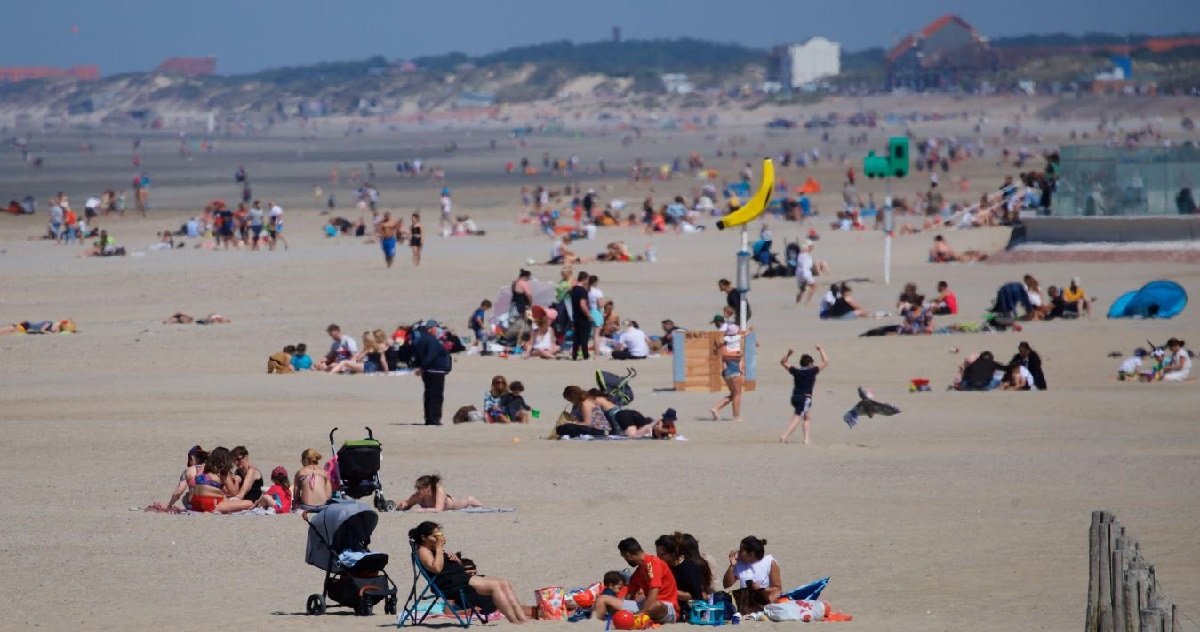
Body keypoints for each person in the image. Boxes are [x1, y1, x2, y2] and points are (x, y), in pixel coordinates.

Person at [409, 521, 532, 623]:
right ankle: (514, 621)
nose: (438, 538)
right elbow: (436, 568)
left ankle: (521, 618)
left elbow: (451, 567)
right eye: (434, 536)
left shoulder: (433, 548)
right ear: (424, 537)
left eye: (439, 535)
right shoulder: (424, 551)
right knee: (495, 586)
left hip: (459, 577)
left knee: (504, 583)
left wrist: (456, 560)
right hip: (450, 583)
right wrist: (440, 548)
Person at [593, 538, 679, 624]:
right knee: (602, 599)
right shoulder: (638, 572)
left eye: (625, 558)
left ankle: (636, 619)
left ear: (628, 555)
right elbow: (629, 596)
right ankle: (597, 625)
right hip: (645, 606)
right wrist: (619, 606)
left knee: (656, 605)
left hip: (667, 607)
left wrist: (640, 612)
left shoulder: (653, 564)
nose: (626, 561)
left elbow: (654, 593)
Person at [779, 346, 829, 444]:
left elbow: (782, 362)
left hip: (795, 398)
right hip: (805, 398)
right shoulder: (812, 371)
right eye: (812, 363)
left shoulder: (796, 371)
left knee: (807, 417)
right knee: (797, 417)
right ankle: (784, 436)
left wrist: (788, 354)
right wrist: (821, 349)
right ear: (810, 364)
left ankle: (806, 439)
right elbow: (826, 361)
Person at [721, 536, 782, 614]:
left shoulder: (769, 562)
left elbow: (777, 589)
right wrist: (732, 565)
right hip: (744, 603)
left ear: (751, 554)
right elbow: (726, 584)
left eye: (742, 550)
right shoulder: (739, 563)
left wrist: (761, 589)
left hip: (763, 600)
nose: (738, 552)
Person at [190, 447, 254, 514]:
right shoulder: (223, 472)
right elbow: (234, 492)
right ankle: (213, 510)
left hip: (195, 504)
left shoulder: (204, 467)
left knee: (224, 497)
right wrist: (237, 480)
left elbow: (208, 485)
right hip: (210, 504)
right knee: (249, 503)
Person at [655, 534, 708, 611]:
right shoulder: (663, 566)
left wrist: (670, 591)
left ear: (672, 553)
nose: (659, 558)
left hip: (686, 607)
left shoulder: (689, 568)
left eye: (662, 554)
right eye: (657, 554)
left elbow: (697, 597)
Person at [708, 314, 746, 422]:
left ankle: (716, 408)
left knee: (733, 394)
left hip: (726, 371)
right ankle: (736, 416)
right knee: (737, 394)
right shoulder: (737, 346)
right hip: (734, 370)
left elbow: (720, 353)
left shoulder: (724, 346)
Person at [414, 321, 452, 425]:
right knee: (436, 396)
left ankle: (429, 418)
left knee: (429, 394)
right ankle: (434, 419)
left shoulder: (422, 339)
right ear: (430, 329)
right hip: (435, 371)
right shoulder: (431, 341)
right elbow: (431, 355)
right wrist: (422, 367)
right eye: (436, 328)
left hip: (429, 371)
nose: (437, 330)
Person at [397, 474, 482, 512]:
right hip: (447, 508)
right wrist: (403, 505)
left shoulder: (438, 491)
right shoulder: (418, 496)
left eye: (420, 488)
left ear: (428, 488)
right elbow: (407, 503)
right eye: (417, 488)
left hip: (454, 505)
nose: (418, 490)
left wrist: (422, 510)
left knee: (467, 501)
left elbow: (439, 509)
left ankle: (473, 500)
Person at [569, 271, 592, 360]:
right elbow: (582, 304)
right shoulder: (582, 290)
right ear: (584, 279)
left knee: (576, 338)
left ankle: (574, 355)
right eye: (587, 279)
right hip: (583, 317)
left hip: (575, 316)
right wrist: (589, 315)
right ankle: (585, 355)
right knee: (584, 338)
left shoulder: (573, 289)